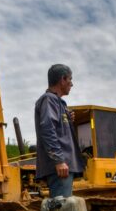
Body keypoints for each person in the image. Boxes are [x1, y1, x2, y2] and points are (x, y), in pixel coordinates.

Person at [35, 64, 85, 198]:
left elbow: (57, 128)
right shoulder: (48, 99)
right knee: (62, 210)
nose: (72, 84)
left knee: (64, 208)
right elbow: (47, 129)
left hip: (65, 165)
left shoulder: (60, 103)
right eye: (70, 79)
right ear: (62, 79)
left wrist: (67, 119)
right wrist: (59, 160)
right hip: (60, 167)